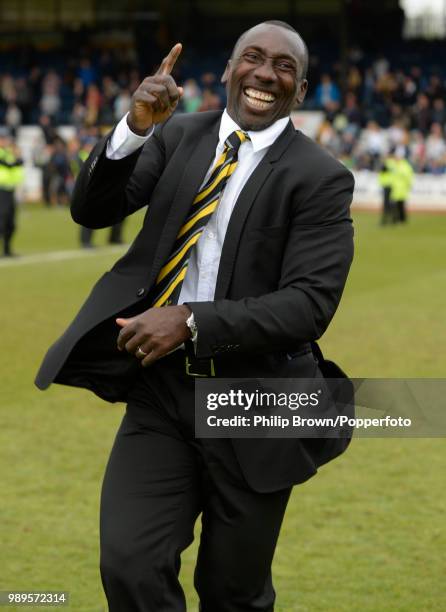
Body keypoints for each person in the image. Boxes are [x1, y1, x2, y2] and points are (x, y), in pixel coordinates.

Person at [36, 21, 355, 611]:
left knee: (232, 593)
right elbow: (93, 209)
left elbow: (309, 304)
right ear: (228, 70)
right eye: (252, 59)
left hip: (256, 404)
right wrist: (133, 128)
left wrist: (189, 320)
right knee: (129, 566)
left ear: (301, 89)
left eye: (283, 67)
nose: (265, 74)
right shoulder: (178, 136)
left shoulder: (321, 177)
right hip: (161, 395)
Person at [0, 130, 24, 257]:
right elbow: (10, 164)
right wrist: (16, 160)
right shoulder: (3, 153)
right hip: (1, 190)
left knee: (10, 222)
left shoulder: (8, 152)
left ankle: (7, 250)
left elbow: (19, 162)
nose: (4, 141)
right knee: (2, 220)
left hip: (10, 190)